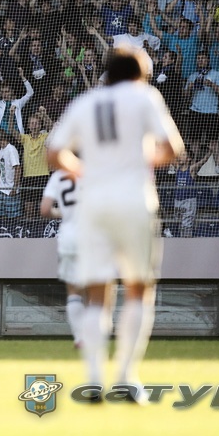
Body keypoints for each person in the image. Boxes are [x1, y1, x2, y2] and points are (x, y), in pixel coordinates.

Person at [47, 47, 184, 402]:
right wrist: (138, 159)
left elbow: (54, 153)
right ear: (139, 74)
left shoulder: (86, 102)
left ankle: (94, 380)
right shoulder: (145, 96)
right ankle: (126, 377)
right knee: (138, 288)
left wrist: (86, 171)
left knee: (97, 292)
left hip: (93, 205)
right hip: (134, 201)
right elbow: (172, 148)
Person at [39, 169, 85, 348]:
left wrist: (61, 213)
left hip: (68, 238)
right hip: (91, 236)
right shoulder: (95, 169)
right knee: (95, 291)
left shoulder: (59, 175)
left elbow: (44, 209)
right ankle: (93, 335)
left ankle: (79, 338)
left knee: (73, 291)